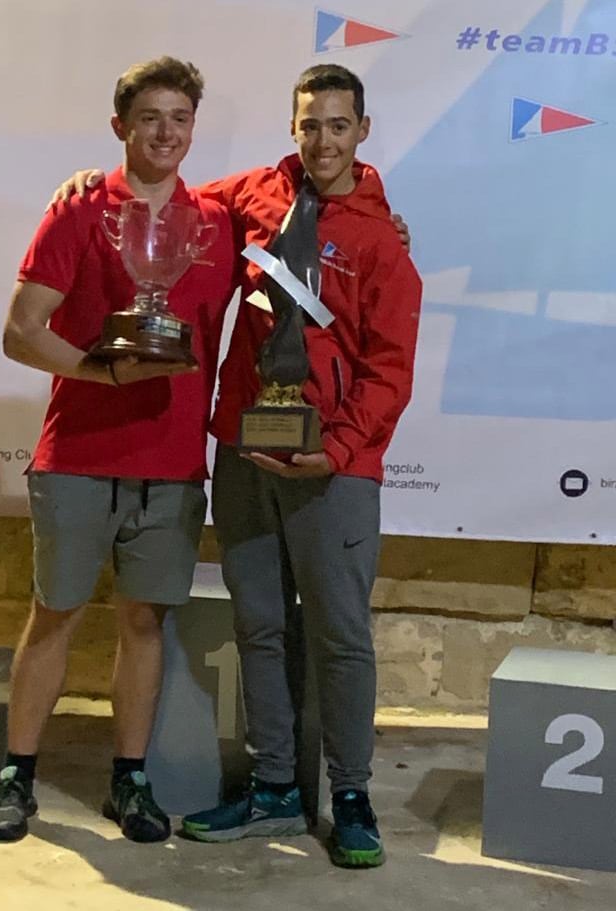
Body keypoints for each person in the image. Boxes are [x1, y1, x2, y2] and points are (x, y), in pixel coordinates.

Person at [53, 63, 422, 869]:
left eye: (338, 125)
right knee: (259, 624)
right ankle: (275, 786)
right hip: (246, 450)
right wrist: (96, 187)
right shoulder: (253, 193)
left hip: (333, 466)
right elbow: (165, 196)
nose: (322, 141)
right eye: (309, 125)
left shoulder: (381, 240)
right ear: (293, 127)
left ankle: (351, 795)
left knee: (340, 633)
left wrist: (340, 448)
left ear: (362, 131)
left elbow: (390, 368)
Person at [0, 57, 238, 845]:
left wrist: (386, 218)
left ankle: (130, 778)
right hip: (78, 454)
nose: (167, 133)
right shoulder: (81, 207)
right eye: (151, 117)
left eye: (180, 119)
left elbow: (307, 196)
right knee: (53, 615)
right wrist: (100, 371)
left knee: (143, 624)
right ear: (120, 126)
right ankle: (16, 773)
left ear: (194, 127)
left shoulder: (219, 219)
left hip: (173, 461)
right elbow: (20, 332)